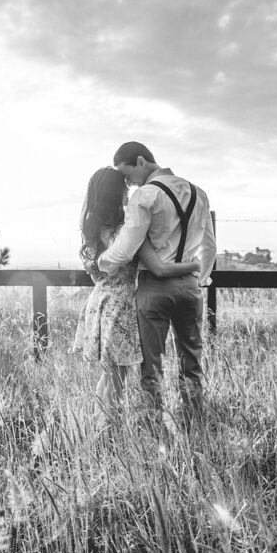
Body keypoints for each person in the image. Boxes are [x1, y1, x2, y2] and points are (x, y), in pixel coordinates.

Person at [96, 141, 216, 425]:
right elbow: (209, 248)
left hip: (154, 289)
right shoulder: (200, 193)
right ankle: (194, 423)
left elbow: (126, 247)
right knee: (192, 362)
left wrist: (102, 263)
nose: (129, 183)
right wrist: (200, 280)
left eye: (128, 175)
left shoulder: (145, 196)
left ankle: (155, 426)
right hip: (190, 287)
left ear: (141, 161)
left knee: (152, 366)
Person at [72, 167, 198, 414]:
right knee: (116, 378)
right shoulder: (127, 231)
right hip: (121, 307)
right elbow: (159, 268)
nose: (129, 195)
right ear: (118, 194)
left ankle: (104, 426)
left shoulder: (94, 229)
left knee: (110, 376)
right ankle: (107, 430)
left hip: (100, 302)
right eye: (125, 190)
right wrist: (194, 264)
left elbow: (95, 273)